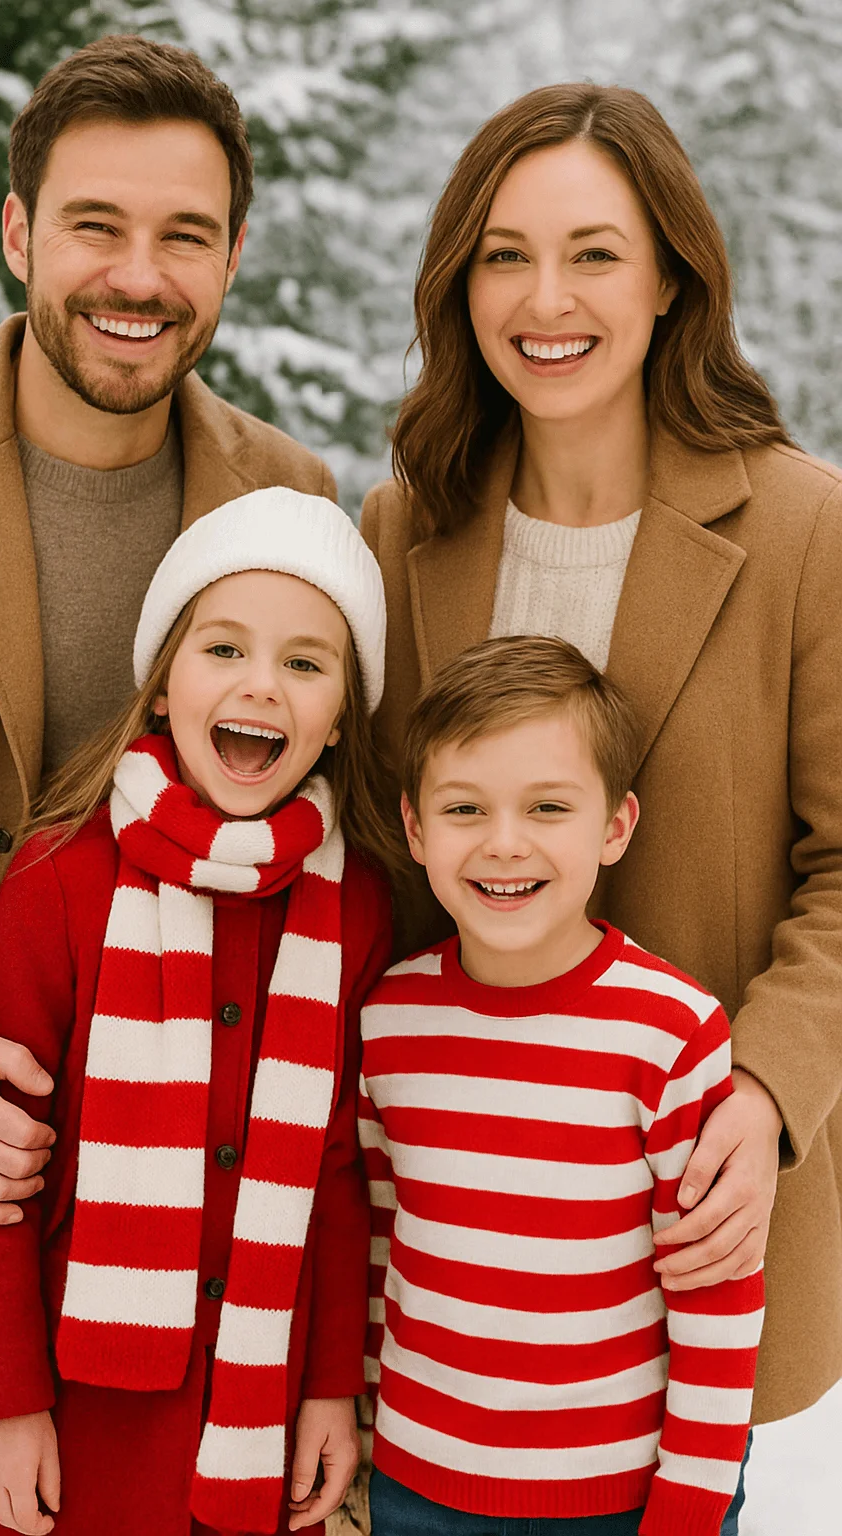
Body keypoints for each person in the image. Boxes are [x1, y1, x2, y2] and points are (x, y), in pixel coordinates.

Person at [0, 35, 339, 1536]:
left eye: (186, 234)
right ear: (19, 230)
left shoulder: (291, 507)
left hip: (195, 1264)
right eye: (98, 224)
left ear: (235, 254)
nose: (140, 273)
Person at [361, 82, 842, 1528]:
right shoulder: (405, 527)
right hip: (455, 1294)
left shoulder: (802, 530)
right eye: (504, 254)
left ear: (671, 276)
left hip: (691, 1254)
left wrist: (763, 1097)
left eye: (594, 252)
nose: (546, 298)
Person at [0, 488, 396, 1536]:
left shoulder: (356, 905)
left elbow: (339, 1167)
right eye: (223, 649)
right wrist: (1, 1398)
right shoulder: (62, 875)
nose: (262, 685)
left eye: (305, 663)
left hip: (241, 1413)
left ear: (340, 717)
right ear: (163, 686)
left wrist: (330, 1384)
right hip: (61, 1407)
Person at [359, 635, 764, 1536]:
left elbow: (716, 1294)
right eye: (465, 808)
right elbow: (381, 1244)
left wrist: (690, 1512)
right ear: (416, 828)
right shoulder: (387, 1020)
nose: (505, 844)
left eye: (548, 807)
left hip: (619, 1502)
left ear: (615, 827)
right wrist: (362, 1418)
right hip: (415, 1484)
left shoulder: (672, 1031)